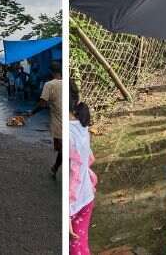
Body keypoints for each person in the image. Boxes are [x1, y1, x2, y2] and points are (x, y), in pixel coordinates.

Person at [69, 79, 96, 255]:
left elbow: (72, 175)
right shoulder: (81, 125)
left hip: (74, 205)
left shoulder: (70, 132)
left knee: (75, 248)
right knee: (80, 245)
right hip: (86, 196)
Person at [29, 62, 63, 179]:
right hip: (70, 118)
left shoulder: (49, 85)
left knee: (61, 148)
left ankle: (56, 167)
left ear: (50, 72)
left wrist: (32, 112)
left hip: (59, 121)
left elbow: (42, 104)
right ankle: (57, 167)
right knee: (62, 147)